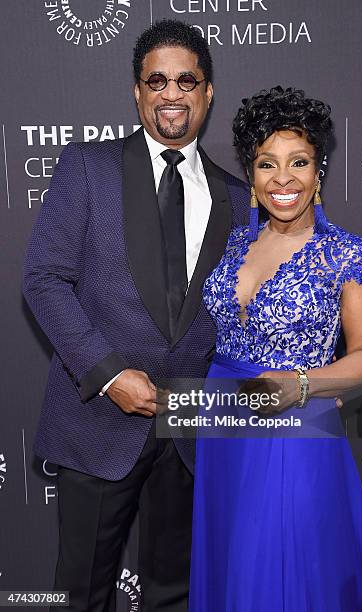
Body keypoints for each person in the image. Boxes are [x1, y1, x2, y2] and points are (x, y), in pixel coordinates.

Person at [22, 19, 248, 612]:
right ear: (137, 91)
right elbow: (44, 280)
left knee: (175, 593)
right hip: (98, 422)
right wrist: (108, 372)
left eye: (186, 81)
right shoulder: (87, 168)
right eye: (157, 81)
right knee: (81, 594)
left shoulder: (236, 194)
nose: (171, 94)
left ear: (207, 92)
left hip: (190, 433)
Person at [188, 86, 362, 611]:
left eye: (298, 162)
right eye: (266, 164)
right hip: (223, 427)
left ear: (318, 171)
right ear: (252, 175)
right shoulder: (238, 241)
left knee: (287, 571)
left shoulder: (347, 253)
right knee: (232, 563)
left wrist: (302, 383)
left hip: (297, 425)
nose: (283, 179)